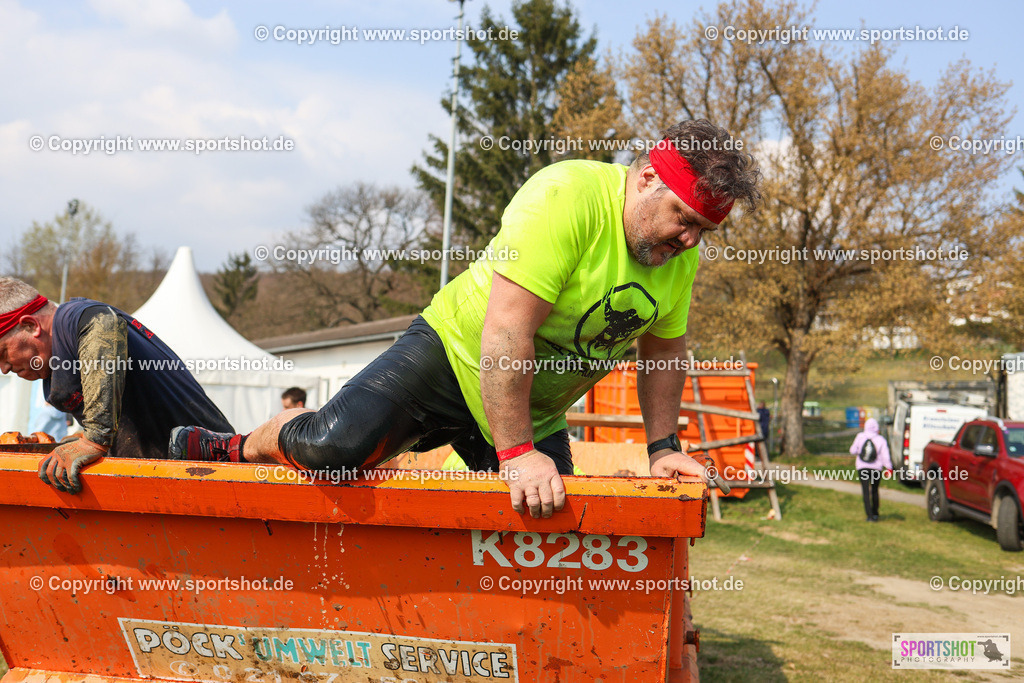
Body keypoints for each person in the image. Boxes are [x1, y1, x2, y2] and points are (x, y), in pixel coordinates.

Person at [171, 119, 762, 518]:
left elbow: (663, 353)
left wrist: (662, 447)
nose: (688, 240)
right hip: (452, 357)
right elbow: (507, 333)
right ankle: (246, 442)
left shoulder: (678, 258)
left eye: (703, 232)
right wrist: (514, 455)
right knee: (335, 448)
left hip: (529, 400)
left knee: (548, 522)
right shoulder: (566, 196)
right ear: (647, 177)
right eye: (682, 218)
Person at [0, 278, 233, 493]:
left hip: (218, 472)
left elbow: (103, 323)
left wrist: (94, 439)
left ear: (31, 325)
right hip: (174, 481)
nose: (4, 369)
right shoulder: (58, 353)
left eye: (3, 353)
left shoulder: (74, 319)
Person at [849, 417, 893, 521]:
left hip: (862, 467)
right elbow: (885, 456)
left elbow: (852, 450)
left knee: (865, 491)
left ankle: (869, 515)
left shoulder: (860, 436)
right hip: (876, 469)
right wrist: (889, 468)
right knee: (874, 490)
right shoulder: (881, 440)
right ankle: (875, 513)